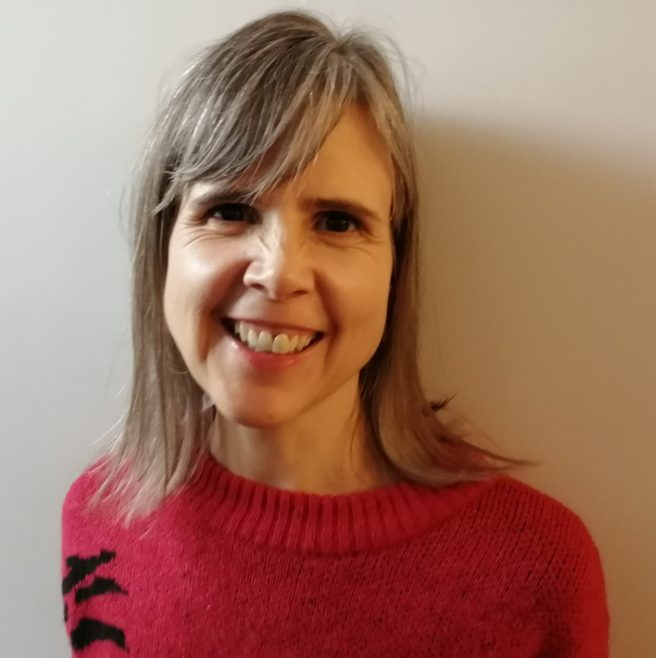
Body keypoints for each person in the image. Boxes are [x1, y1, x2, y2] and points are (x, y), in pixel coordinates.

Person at [61, 10, 609, 657]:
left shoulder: (535, 571)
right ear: (162, 252)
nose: (279, 273)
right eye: (230, 210)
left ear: (395, 269)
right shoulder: (99, 517)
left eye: (338, 222)